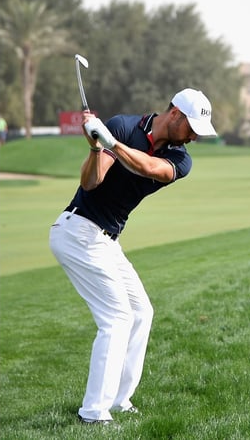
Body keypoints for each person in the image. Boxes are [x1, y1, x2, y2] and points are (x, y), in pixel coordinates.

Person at [48, 88, 216, 424]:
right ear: (175, 114)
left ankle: (120, 400)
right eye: (192, 128)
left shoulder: (181, 159)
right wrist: (97, 147)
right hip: (78, 230)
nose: (195, 137)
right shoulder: (124, 126)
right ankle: (94, 413)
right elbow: (91, 182)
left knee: (142, 312)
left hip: (108, 240)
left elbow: (152, 168)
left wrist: (110, 142)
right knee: (117, 318)